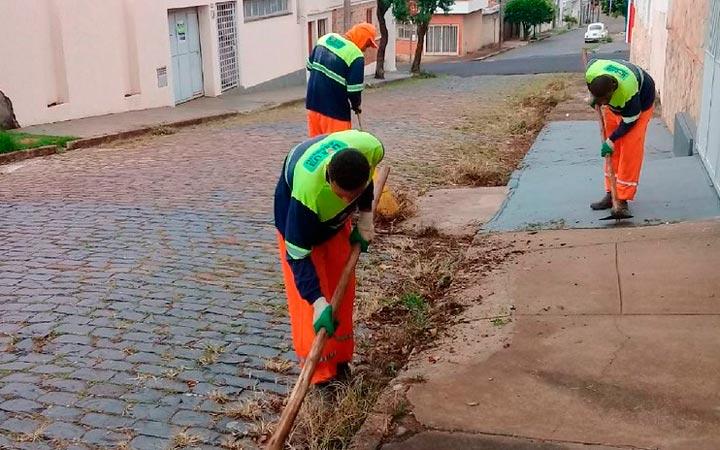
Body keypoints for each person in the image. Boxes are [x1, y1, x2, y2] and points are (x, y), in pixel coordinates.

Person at [274, 129, 384, 385]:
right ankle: (321, 376)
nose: (347, 199)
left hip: (333, 224)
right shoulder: (307, 196)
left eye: (352, 195)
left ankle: (341, 360)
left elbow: (366, 184)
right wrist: (318, 302)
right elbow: (298, 257)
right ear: (329, 180)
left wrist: (365, 218)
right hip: (300, 229)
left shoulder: (370, 148)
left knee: (342, 292)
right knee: (311, 304)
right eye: (340, 194)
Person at [585, 58, 656, 216]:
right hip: (616, 105)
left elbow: (629, 121)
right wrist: (594, 99)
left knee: (629, 150)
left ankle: (622, 200)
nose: (602, 103)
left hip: (640, 105)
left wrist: (611, 140)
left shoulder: (628, 91)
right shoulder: (591, 71)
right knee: (612, 151)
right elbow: (594, 89)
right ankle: (611, 194)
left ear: (612, 91)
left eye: (604, 100)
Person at [306, 23, 378, 138]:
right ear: (362, 38)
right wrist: (356, 105)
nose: (365, 48)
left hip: (313, 106)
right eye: (367, 44)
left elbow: (309, 66)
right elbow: (354, 91)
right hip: (335, 113)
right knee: (338, 150)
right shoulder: (355, 56)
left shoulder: (326, 39)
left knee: (317, 149)